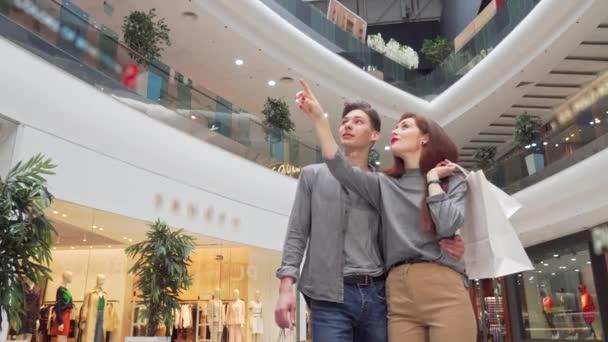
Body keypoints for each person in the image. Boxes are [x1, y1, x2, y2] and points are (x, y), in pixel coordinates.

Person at [296, 79, 476, 341]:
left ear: (426, 137)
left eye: (405, 127)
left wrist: (434, 180)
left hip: (444, 287)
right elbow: (340, 168)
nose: (397, 130)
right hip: (397, 293)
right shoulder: (384, 184)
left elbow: (448, 225)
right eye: (396, 127)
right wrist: (320, 121)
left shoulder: (452, 179)